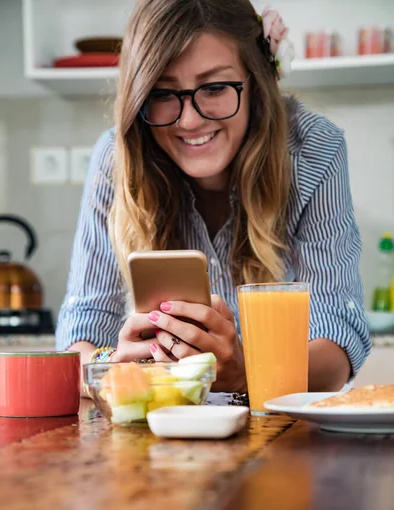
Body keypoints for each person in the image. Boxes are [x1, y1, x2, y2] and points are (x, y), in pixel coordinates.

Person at [56, 0, 371, 394]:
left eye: (217, 87)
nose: (189, 120)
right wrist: (114, 366)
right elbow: (82, 335)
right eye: (162, 93)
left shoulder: (311, 150)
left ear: (256, 82)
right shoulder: (116, 159)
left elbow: (336, 342)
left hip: (279, 433)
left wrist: (246, 373)